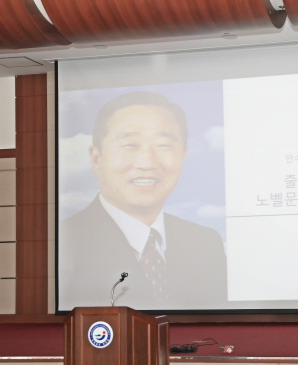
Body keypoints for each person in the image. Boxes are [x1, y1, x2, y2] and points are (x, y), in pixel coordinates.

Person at [59, 91, 227, 310]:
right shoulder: (65, 241)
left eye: (163, 145)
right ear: (96, 158)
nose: (147, 163)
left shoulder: (205, 242)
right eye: (130, 145)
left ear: (183, 155)